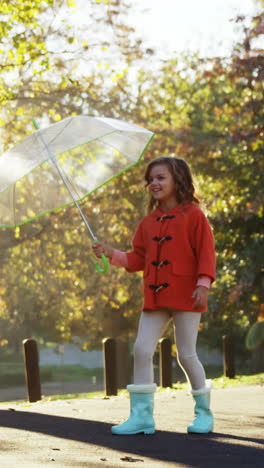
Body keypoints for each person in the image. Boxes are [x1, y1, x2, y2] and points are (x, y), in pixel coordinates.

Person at [92, 156, 216, 435]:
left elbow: (206, 254)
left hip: (188, 294)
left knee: (186, 355)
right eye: (151, 179)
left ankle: (204, 413)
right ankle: (142, 417)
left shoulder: (194, 216)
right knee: (142, 349)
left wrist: (203, 285)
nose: (154, 183)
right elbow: (136, 260)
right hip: (155, 297)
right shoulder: (148, 222)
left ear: (178, 180)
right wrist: (110, 253)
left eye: (161, 178)